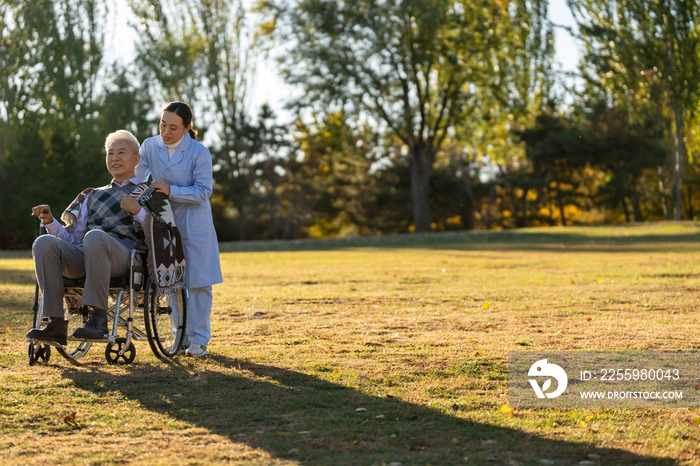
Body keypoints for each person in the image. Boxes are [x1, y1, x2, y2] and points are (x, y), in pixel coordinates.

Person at [26, 130, 148, 345]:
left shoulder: (148, 191)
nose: (115, 158)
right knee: (43, 243)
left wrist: (137, 209)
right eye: (110, 154)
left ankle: (98, 319)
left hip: (125, 258)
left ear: (136, 159)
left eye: (122, 152)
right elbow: (73, 239)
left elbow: (160, 231)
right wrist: (50, 222)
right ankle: (55, 323)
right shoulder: (92, 194)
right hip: (88, 253)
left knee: (95, 238)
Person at [136, 102, 222, 357]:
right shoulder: (149, 146)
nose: (166, 132)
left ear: (186, 128)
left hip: (195, 224)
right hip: (163, 222)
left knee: (197, 283)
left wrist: (172, 190)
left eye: (173, 127)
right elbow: (138, 178)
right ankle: (179, 335)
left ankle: (199, 340)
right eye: (163, 124)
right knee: (170, 279)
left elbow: (204, 191)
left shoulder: (199, 152)